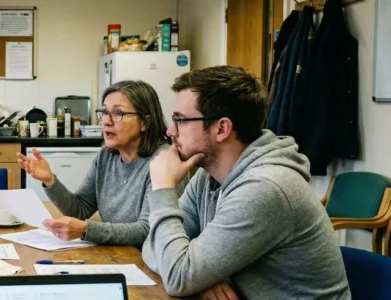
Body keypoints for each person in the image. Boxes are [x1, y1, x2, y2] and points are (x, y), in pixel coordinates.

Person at [143, 65, 350, 299]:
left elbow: (178, 277)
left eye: (180, 120)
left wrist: (163, 189)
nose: (170, 131)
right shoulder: (206, 176)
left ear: (222, 128)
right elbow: (152, 246)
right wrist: (199, 279)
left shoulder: (265, 188)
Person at [17, 80, 176, 245]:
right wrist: (50, 181)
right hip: (117, 254)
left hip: (148, 262)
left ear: (145, 122)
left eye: (118, 113)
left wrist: (86, 230)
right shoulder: (106, 156)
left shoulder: (163, 161)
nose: (106, 121)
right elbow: (80, 209)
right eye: (105, 112)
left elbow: (147, 230)